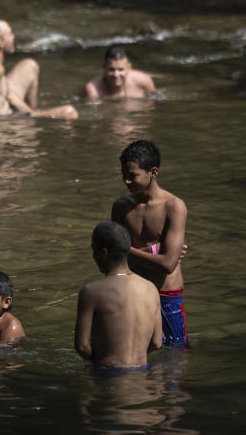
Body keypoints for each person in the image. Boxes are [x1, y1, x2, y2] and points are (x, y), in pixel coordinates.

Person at [110, 140, 188, 347]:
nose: (126, 181)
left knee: (175, 354)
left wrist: (126, 250)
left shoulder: (174, 206)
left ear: (153, 172)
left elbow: (168, 264)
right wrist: (154, 250)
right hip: (133, 290)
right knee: (131, 352)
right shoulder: (121, 206)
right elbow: (112, 257)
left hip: (166, 294)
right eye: (124, 174)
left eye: (132, 176)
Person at [75, 221, 162, 372]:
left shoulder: (91, 291)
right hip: (142, 373)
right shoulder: (151, 289)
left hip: (108, 375)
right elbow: (156, 343)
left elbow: (82, 346)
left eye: (93, 250)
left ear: (103, 253)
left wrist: (104, 363)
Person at [0, 18, 78, 120]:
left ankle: (31, 118)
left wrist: (30, 113)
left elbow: (7, 93)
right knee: (69, 112)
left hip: (5, 107)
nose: (13, 36)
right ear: (0, 43)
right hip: (3, 122)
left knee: (29, 65)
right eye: (10, 33)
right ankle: (30, 122)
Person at [83, 45, 156, 100]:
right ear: (104, 67)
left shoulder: (144, 82)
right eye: (111, 69)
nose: (116, 75)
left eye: (121, 69)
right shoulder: (93, 89)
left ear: (129, 68)